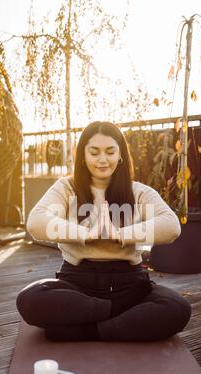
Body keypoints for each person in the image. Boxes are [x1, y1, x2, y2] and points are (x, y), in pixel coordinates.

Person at [16, 121, 191, 341]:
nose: (102, 159)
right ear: (82, 156)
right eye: (94, 152)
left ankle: (87, 331)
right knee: (29, 301)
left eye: (110, 151)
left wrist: (120, 234)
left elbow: (171, 226)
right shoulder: (66, 188)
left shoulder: (138, 191)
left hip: (130, 283)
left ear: (120, 155)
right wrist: (85, 234)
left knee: (178, 308)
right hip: (78, 282)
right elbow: (36, 222)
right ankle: (119, 316)